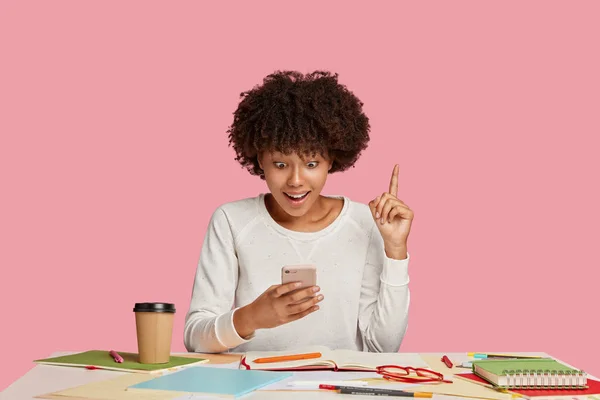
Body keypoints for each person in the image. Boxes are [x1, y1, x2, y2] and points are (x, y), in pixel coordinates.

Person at [184, 70, 413, 354]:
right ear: (260, 160)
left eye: (312, 164)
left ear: (332, 159)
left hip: (340, 389)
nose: (295, 180)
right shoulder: (231, 221)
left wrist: (395, 250)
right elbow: (195, 338)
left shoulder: (366, 223)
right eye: (280, 165)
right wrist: (252, 317)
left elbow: (382, 349)